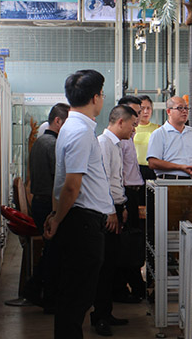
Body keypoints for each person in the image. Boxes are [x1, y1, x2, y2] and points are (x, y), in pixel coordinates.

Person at [44, 70, 119, 339]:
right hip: (83, 223)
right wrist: (57, 219)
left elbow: (63, 181)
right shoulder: (79, 132)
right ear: (95, 97)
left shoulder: (74, 127)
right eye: (102, 94)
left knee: (75, 296)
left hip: (80, 220)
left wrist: (56, 213)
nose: (103, 99)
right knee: (77, 298)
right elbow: (71, 185)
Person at [94, 105, 138, 335]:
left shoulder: (116, 144)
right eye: (132, 124)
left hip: (115, 207)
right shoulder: (103, 143)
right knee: (105, 266)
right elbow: (101, 180)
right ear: (121, 122)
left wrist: (122, 206)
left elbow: (116, 179)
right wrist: (111, 210)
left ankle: (105, 312)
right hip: (107, 209)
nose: (134, 129)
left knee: (112, 264)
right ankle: (99, 316)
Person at [24, 102, 69, 312]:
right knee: (54, 253)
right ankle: (45, 295)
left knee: (53, 251)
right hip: (47, 203)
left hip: (41, 201)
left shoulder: (41, 142)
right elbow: (59, 180)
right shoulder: (52, 145)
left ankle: (37, 290)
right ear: (58, 121)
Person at [114, 95, 146, 302]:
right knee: (125, 243)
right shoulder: (117, 141)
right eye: (134, 112)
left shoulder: (130, 136)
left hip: (134, 192)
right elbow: (116, 174)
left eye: (139, 112)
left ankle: (134, 286)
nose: (138, 117)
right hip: (124, 194)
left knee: (133, 241)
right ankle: (123, 288)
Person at [147, 96, 192, 179]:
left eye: (186, 108)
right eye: (180, 108)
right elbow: (153, 162)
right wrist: (180, 167)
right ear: (169, 111)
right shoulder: (159, 133)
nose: (184, 111)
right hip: (170, 180)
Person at [133, 95, 160, 180]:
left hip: (153, 169)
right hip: (134, 169)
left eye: (148, 108)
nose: (146, 111)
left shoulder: (159, 128)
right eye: (142, 108)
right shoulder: (131, 128)